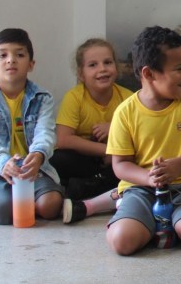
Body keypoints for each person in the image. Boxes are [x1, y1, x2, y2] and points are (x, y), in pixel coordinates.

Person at [105, 26, 181, 255]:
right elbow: (120, 164)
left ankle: (179, 221)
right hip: (141, 190)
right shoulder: (125, 112)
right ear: (149, 74)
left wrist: (179, 166)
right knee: (122, 241)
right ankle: (155, 222)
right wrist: (149, 177)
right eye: (178, 68)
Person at [0, 28, 63, 225]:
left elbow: (45, 133)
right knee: (1, 212)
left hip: (31, 167)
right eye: (3, 55)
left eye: (19, 55)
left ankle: (27, 200)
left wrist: (38, 155)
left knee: (51, 205)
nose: (11, 60)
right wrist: (3, 162)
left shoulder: (42, 98)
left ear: (30, 64)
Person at [53, 38, 133, 224]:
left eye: (107, 62)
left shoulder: (128, 98)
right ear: (81, 74)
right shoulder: (74, 97)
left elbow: (140, 136)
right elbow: (63, 139)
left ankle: (85, 190)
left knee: (133, 164)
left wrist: (113, 128)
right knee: (59, 159)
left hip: (116, 162)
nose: (102, 69)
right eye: (93, 65)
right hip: (87, 159)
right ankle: (101, 190)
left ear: (116, 67)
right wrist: (107, 150)